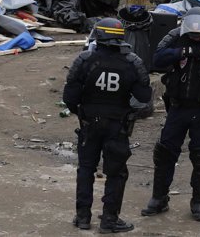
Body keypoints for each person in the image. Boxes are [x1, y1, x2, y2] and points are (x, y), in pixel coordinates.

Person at [140, 7, 200, 222]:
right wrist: (181, 53)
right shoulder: (175, 39)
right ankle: (159, 198)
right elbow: (156, 60)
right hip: (177, 109)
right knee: (165, 153)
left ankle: (199, 201)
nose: (195, 34)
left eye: (199, 30)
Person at [64, 17, 152, 233]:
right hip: (117, 126)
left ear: (99, 36)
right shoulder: (132, 62)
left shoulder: (84, 60)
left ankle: (83, 217)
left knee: (86, 169)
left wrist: (83, 112)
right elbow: (143, 98)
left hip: (89, 124)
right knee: (116, 173)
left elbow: (69, 97)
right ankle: (109, 221)